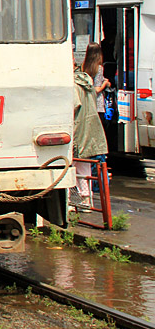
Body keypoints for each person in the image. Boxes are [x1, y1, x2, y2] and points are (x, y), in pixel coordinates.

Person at [73, 43, 110, 209]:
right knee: (86, 165)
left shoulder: (79, 76)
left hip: (79, 128)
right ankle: (87, 199)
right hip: (95, 115)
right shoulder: (96, 72)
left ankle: (76, 199)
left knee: (74, 164)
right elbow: (95, 91)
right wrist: (105, 85)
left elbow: (74, 106)